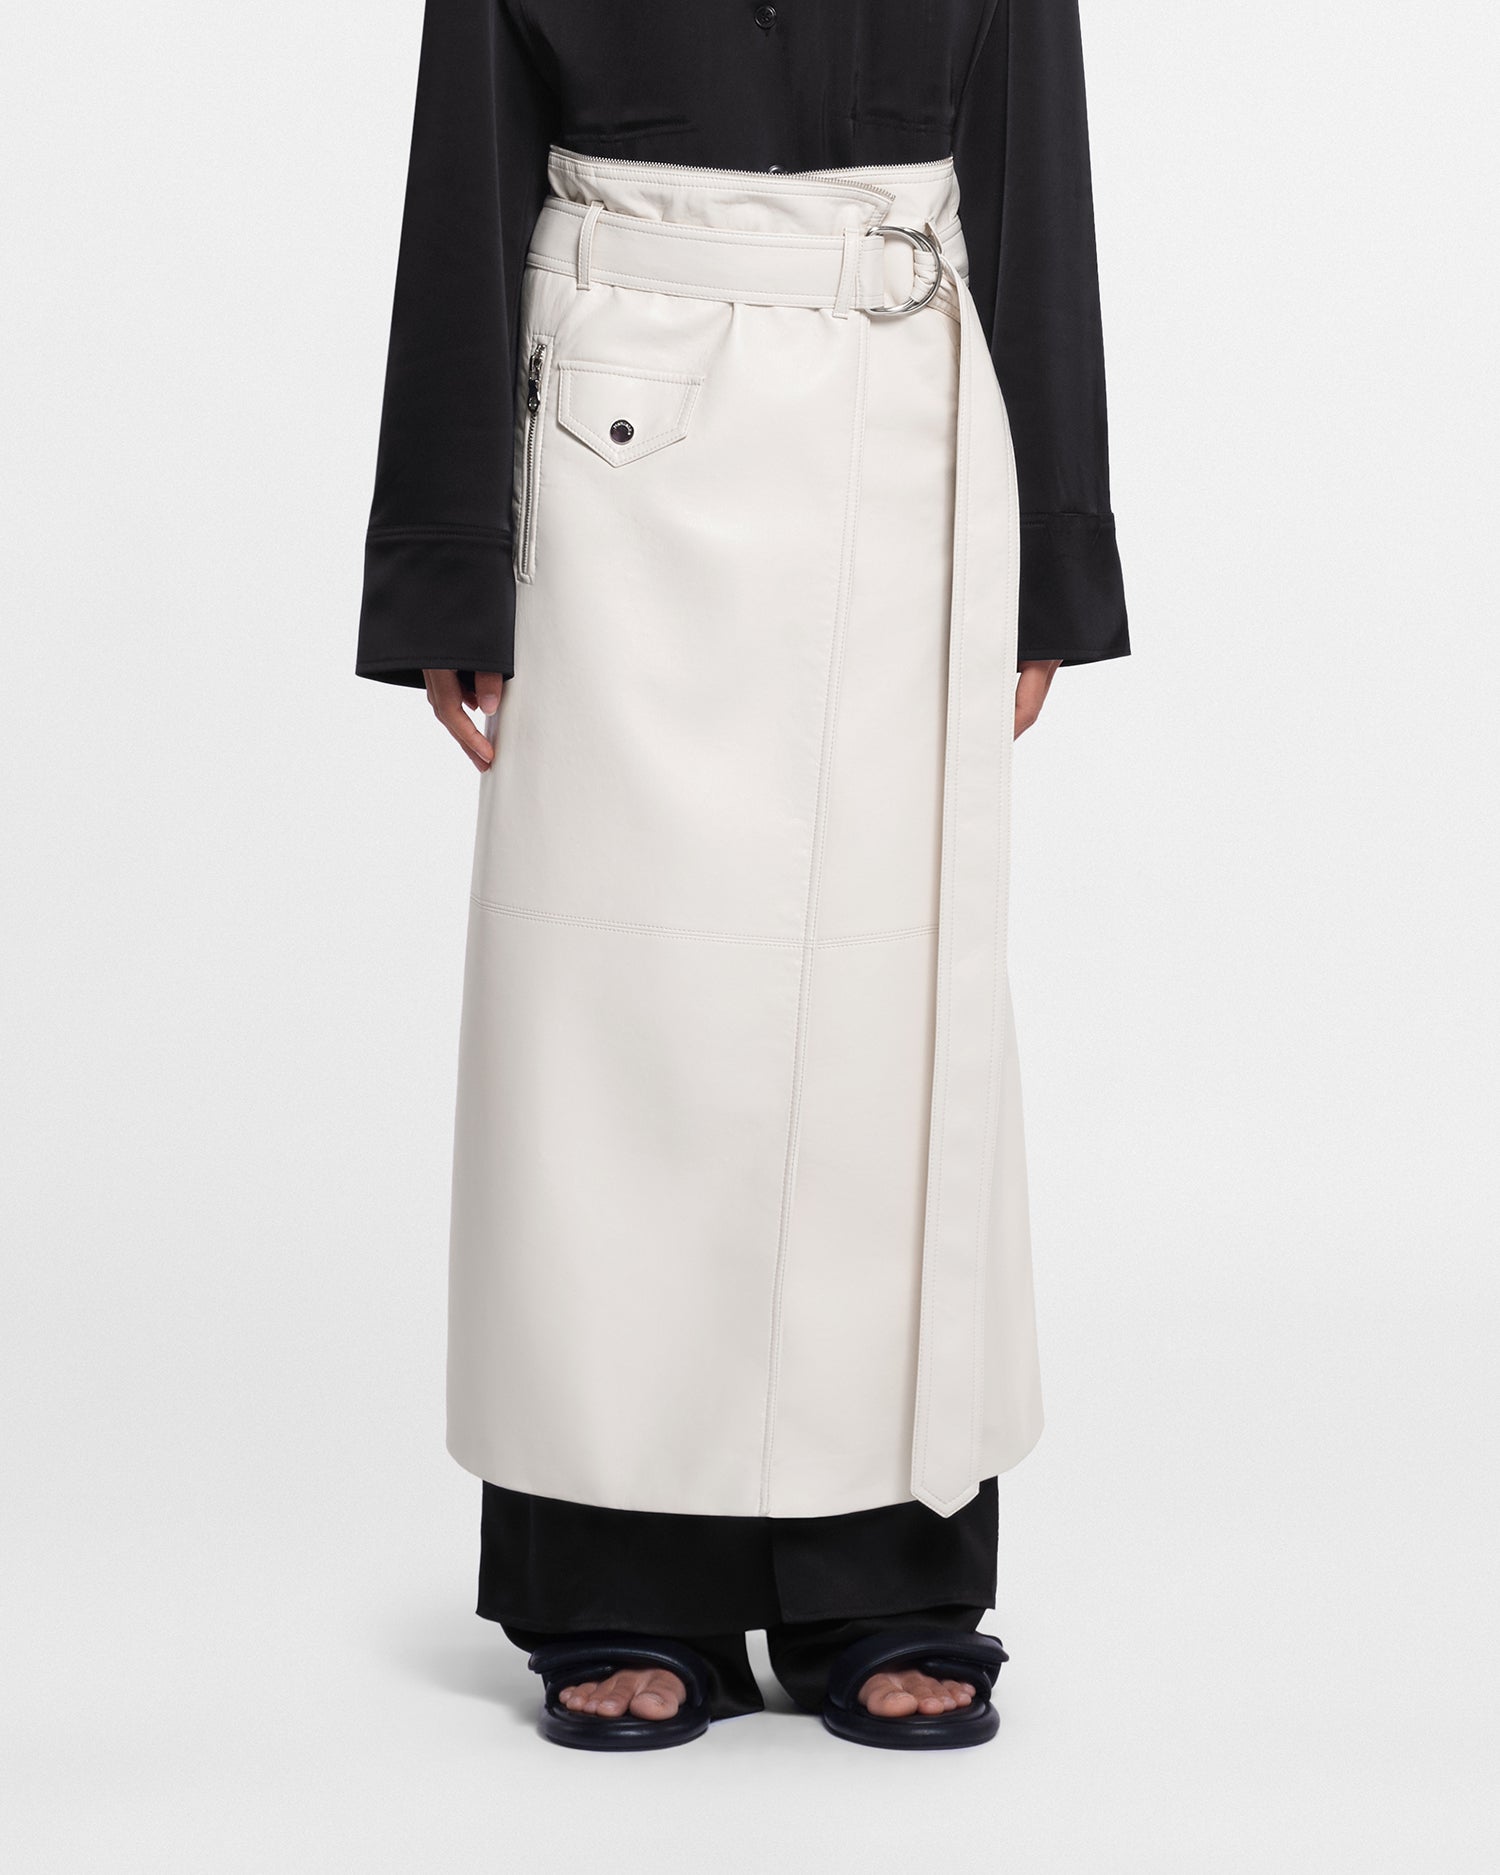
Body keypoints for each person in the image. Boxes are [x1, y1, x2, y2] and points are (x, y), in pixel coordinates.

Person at [356, 0, 1127, 1751]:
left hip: (906, 429)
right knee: (614, 1037)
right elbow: (465, 157)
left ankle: (888, 1570)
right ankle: (615, 1578)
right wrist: (448, 556)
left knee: (884, 1031)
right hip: (612, 440)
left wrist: (1054, 552)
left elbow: (1031, 156)